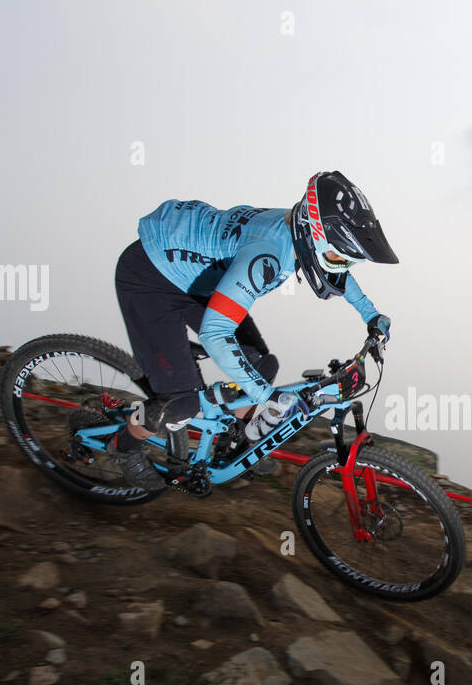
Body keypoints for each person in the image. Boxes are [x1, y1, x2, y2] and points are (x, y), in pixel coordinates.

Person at [107, 170, 397, 489]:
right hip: (151, 278)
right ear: (312, 236)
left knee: (262, 362)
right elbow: (216, 333)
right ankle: (121, 449)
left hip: (197, 280)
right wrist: (267, 395)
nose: (340, 266)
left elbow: (338, 271)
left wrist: (370, 314)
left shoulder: (298, 230)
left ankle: (236, 443)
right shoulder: (267, 256)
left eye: (345, 260)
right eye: (335, 256)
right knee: (182, 405)